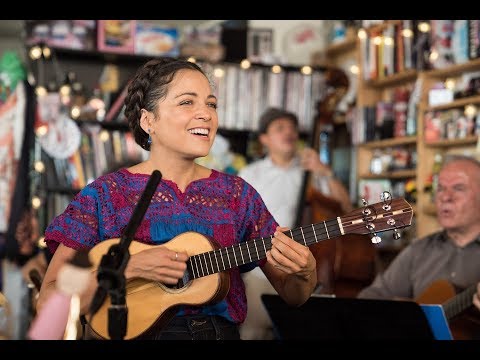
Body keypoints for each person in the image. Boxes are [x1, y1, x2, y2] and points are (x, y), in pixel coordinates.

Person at [36, 58, 318, 340]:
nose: (206, 114)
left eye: (211, 104)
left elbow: (293, 295)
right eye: (187, 102)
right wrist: (130, 268)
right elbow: (50, 302)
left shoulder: (237, 194)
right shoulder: (106, 194)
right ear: (148, 120)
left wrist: (305, 273)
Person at [237, 107, 352, 340]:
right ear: (264, 139)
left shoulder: (312, 173)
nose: (288, 133)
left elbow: (346, 209)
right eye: (280, 128)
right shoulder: (249, 174)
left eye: (292, 128)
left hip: (306, 272)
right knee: (252, 335)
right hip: (262, 273)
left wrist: (324, 171)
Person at [358, 154, 480, 302]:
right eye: (440, 189)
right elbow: (369, 297)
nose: (445, 197)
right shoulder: (419, 251)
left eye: (458, 188)